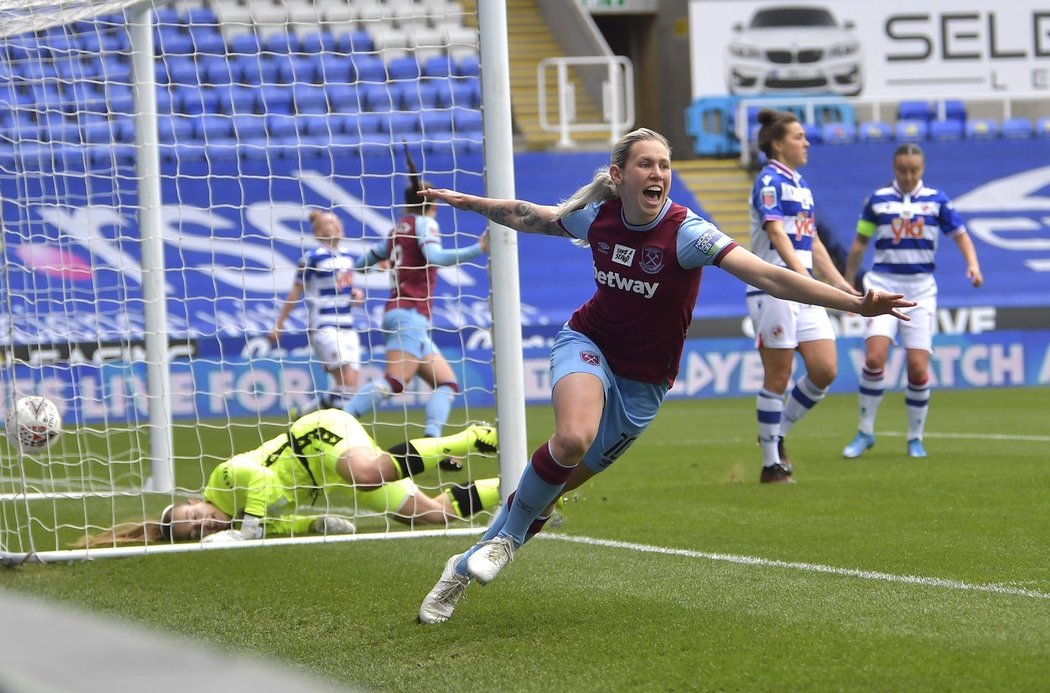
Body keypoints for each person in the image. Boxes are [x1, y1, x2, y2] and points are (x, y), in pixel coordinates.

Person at [414, 127, 914, 624]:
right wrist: (465, 201)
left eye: (664, 165)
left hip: (644, 385)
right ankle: (491, 552)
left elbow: (768, 275)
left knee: (554, 486)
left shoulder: (687, 233)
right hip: (587, 343)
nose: (658, 174)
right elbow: (529, 215)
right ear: (619, 175)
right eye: (646, 164)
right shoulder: (598, 217)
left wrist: (853, 302)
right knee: (571, 439)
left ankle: (461, 563)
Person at [75, 411, 499, 546]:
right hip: (328, 484)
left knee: (367, 472)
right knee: (431, 516)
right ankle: (518, 492)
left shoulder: (221, 480)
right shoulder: (238, 523)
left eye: (193, 514)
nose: (203, 521)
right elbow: (283, 525)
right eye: (196, 530)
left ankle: (470, 437)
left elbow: (258, 480)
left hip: (314, 439)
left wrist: (248, 527)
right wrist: (315, 524)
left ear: (193, 499)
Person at [841, 143, 983, 459]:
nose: (907, 176)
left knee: (918, 369)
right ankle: (865, 431)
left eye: (913, 170)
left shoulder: (937, 201)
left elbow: (960, 234)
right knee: (875, 358)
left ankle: (915, 438)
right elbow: (859, 243)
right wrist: (849, 280)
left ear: (922, 169)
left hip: (920, 290)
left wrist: (972, 265)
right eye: (902, 170)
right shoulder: (877, 200)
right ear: (894, 168)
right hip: (882, 285)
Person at [746, 108, 860, 484]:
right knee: (778, 376)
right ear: (778, 143)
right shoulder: (768, 181)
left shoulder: (802, 184)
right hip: (775, 285)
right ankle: (770, 464)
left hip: (802, 284)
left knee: (825, 368)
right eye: (798, 136)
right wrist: (799, 275)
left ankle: (776, 435)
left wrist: (839, 283)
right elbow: (777, 234)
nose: (806, 142)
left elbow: (811, 240)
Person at [344, 144, 488, 438]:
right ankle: (340, 421)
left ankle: (431, 441)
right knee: (395, 383)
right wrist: (479, 248)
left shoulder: (396, 229)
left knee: (447, 384)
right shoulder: (426, 223)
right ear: (433, 203)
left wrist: (379, 265)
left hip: (407, 316)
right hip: (408, 313)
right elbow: (435, 258)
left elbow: (358, 265)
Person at [270, 209, 364, 416]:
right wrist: (280, 323)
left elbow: (345, 291)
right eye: (331, 223)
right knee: (346, 383)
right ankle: (344, 436)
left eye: (338, 221)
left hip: (348, 326)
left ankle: (304, 413)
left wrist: (356, 296)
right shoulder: (311, 259)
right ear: (319, 232)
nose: (338, 225)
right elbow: (296, 290)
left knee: (350, 387)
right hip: (324, 325)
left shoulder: (348, 257)